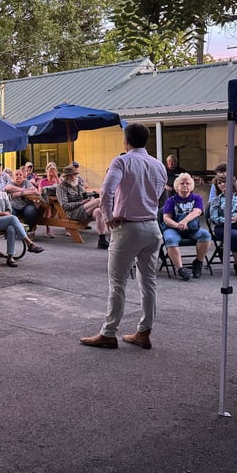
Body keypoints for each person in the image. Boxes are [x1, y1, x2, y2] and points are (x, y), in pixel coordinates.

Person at [80, 123, 167, 350]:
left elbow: (106, 191)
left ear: (126, 141)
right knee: (148, 282)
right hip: (152, 226)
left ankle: (109, 333)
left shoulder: (121, 161)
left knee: (117, 283)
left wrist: (109, 217)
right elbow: (159, 194)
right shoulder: (158, 165)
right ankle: (144, 331)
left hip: (128, 227)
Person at [0, 173, 44, 267]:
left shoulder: (3, 194)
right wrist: (2, 214)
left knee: (11, 228)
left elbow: (9, 210)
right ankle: (29, 243)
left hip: (5, 220)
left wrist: (0, 214)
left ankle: (10, 256)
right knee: (13, 219)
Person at [161, 172, 211, 280]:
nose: (185, 185)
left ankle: (198, 262)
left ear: (191, 186)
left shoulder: (197, 198)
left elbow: (197, 212)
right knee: (169, 239)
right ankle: (180, 269)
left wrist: (184, 221)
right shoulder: (171, 200)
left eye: (187, 183)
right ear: (177, 186)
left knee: (205, 235)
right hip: (174, 229)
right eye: (182, 183)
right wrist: (177, 225)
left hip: (192, 229)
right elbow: (166, 218)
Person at [56, 165, 109, 249]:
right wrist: (81, 202)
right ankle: (112, 225)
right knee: (99, 201)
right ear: (67, 176)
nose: (75, 177)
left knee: (98, 211)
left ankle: (102, 240)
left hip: (83, 209)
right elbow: (65, 206)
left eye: (75, 174)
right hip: (72, 213)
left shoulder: (77, 184)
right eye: (73, 175)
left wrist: (90, 197)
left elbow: (83, 196)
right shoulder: (61, 187)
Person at [5, 168, 42, 238]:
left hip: (26, 204)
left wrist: (20, 193)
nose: (18, 176)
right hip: (13, 205)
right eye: (16, 174)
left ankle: (27, 230)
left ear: (23, 176)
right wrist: (25, 191)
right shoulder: (11, 183)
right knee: (10, 213)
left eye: (20, 175)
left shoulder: (26, 182)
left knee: (32, 211)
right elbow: (8, 188)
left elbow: (35, 191)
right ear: (13, 177)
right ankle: (12, 231)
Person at [37, 162, 60, 237]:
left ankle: (68, 228)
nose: (52, 172)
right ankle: (48, 230)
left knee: (63, 207)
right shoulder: (43, 181)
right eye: (50, 170)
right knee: (48, 208)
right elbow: (40, 192)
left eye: (53, 170)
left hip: (56, 202)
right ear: (46, 171)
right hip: (46, 202)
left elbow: (62, 190)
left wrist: (56, 177)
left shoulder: (57, 181)